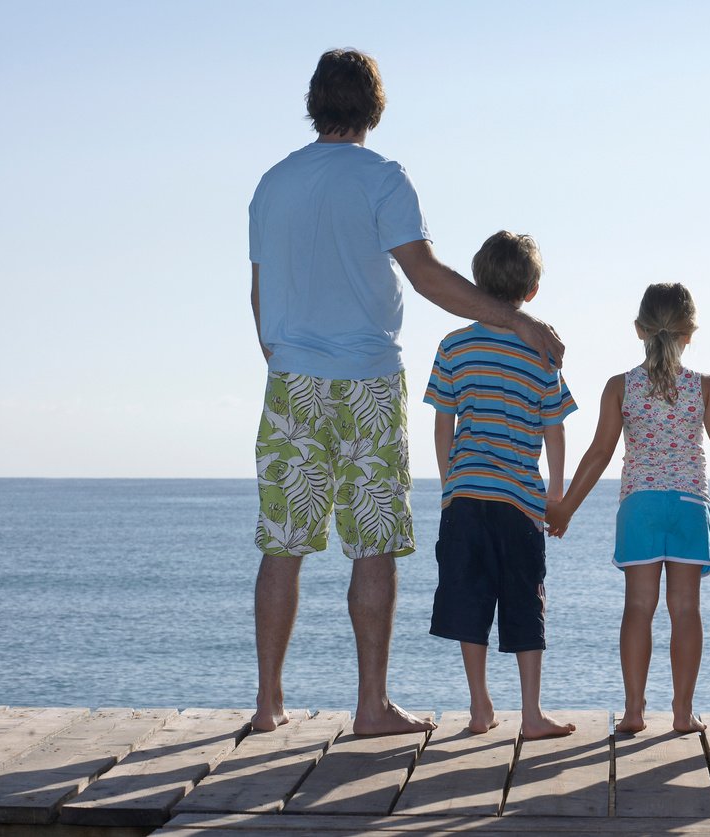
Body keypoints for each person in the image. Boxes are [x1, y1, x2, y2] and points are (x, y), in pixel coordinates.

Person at [248, 49, 563, 736]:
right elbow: (426, 277)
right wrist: (517, 317)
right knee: (373, 542)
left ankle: (269, 704)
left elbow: (259, 290)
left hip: (291, 378)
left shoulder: (273, 182)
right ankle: (370, 707)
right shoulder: (383, 178)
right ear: (372, 106)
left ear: (315, 102)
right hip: (364, 377)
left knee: (283, 542)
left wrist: (284, 353)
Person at [546, 283, 710, 734]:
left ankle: (633, 712)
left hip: (640, 506)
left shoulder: (621, 387)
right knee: (686, 611)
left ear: (639, 329)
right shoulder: (704, 387)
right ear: (690, 332)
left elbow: (598, 454)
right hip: (690, 506)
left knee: (638, 608)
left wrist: (567, 508)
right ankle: (681, 713)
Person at [424, 231, 577, 740]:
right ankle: (531, 714)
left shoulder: (453, 346)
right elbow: (555, 430)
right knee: (524, 600)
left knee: (469, 599)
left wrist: (451, 485)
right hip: (518, 501)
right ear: (531, 292)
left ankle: (480, 706)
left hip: (466, 495)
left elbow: (443, 424)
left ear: (478, 284)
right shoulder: (541, 353)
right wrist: (554, 495)